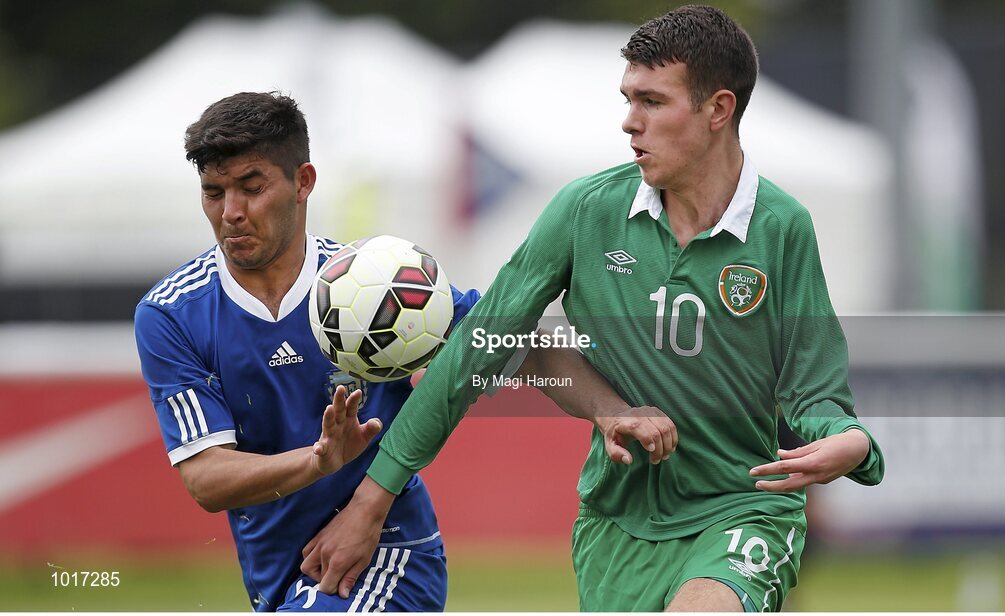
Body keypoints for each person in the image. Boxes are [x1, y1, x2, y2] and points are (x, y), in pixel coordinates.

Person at [306, 5, 885, 612]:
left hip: (740, 512)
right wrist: (371, 500)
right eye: (628, 99)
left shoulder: (783, 227)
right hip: (616, 523)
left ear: (718, 109)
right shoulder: (585, 212)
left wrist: (850, 441)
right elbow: (480, 349)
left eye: (653, 102)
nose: (630, 123)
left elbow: (815, 391)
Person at [134, 92, 669, 611]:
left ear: (303, 182)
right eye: (213, 192)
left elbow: (510, 337)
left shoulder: (377, 282)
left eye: (251, 187)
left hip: (389, 556)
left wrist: (609, 410)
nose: (231, 212)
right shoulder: (173, 314)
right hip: (282, 579)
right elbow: (207, 479)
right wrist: (318, 461)